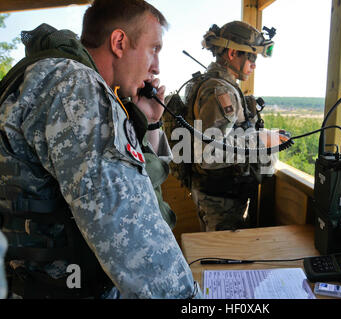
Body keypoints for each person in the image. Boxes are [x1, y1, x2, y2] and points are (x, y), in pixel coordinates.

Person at [0, 0, 199, 298]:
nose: (156, 66)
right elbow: (132, 239)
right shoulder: (75, 86)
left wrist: (147, 121)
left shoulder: (52, 76)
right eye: (154, 49)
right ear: (119, 42)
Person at [179, 21, 286, 232]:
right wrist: (260, 141)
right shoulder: (218, 90)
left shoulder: (218, 85)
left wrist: (263, 135)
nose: (254, 64)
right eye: (251, 57)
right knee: (223, 261)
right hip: (220, 201)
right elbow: (209, 154)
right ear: (232, 53)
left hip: (220, 195)